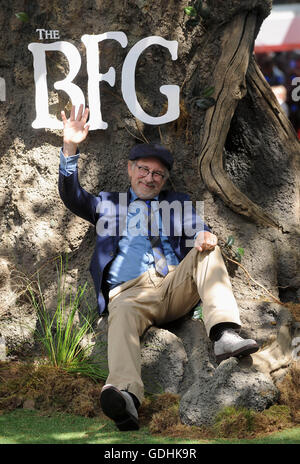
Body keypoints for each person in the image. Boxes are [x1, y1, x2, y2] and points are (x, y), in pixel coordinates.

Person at [58, 104, 259, 431]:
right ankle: (125, 398)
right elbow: (73, 196)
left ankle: (223, 333)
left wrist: (203, 236)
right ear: (129, 169)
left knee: (208, 249)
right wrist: (70, 148)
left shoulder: (178, 202)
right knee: (120, 314)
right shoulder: (108, 203)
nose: (149, 178)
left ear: (164, 179)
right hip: (129, 295)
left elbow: (197, 227)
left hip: (171, 286)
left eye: (157, 174)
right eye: (143, 170)